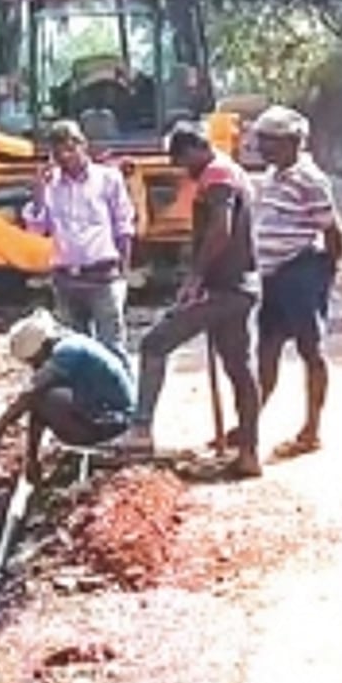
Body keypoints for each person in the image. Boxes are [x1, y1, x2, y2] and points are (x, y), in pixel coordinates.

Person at [119, 121, 262, 478]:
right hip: (239, 286)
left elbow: (220, 230)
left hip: (222, 288)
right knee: (239, 369)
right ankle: (248, 453)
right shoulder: (232, 172)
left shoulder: (217, 177)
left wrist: (196, 277)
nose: (184, 170)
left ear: (194, 150)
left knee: (155, 344)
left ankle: (140, 432)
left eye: (182, 161)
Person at [251, 105, 342, 459]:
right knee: (267, 349)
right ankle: (250, 422)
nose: (262, 148)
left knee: (311, 350)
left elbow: (332, 230)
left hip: (300, 270)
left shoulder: (310, 179)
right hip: (272, 274)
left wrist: (325, 274)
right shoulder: (273, 176)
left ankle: (311, 429)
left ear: (293, 142)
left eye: (269, 142)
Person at [22, 119, 135, 365]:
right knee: (76, 352)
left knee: (112, 348)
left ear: (83, 145)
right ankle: (87, 403)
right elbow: (36, 229)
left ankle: (123, 401)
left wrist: (123, 272)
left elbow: (124, 225)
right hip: (66, 280)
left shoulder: (108, 179)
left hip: (103, 277)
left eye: (71, 148)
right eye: (58, 151)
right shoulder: (50, 185)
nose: (65, 156)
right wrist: (38, 193)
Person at [0, 309, 134, 485]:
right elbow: (35, 405)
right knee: (42, 398)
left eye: (33, 361)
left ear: (43, 346)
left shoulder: (68, 351)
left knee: (45, 397)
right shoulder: (67, 345)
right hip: (103, 412)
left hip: (113, 422)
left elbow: (31, 394)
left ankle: (87, 441)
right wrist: (31, 458)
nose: (34, 366)